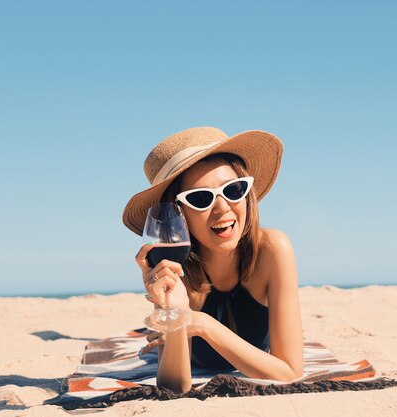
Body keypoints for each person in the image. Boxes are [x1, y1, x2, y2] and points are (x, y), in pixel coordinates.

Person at [122, 126, 303, 393]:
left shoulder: (273, 249)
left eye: (233, 189)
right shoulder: (173, 266)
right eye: (200, 198)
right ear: (178, 215)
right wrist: (175, 314)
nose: (222, 208)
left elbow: (289, 371)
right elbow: (173, 388)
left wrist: (203, 325)